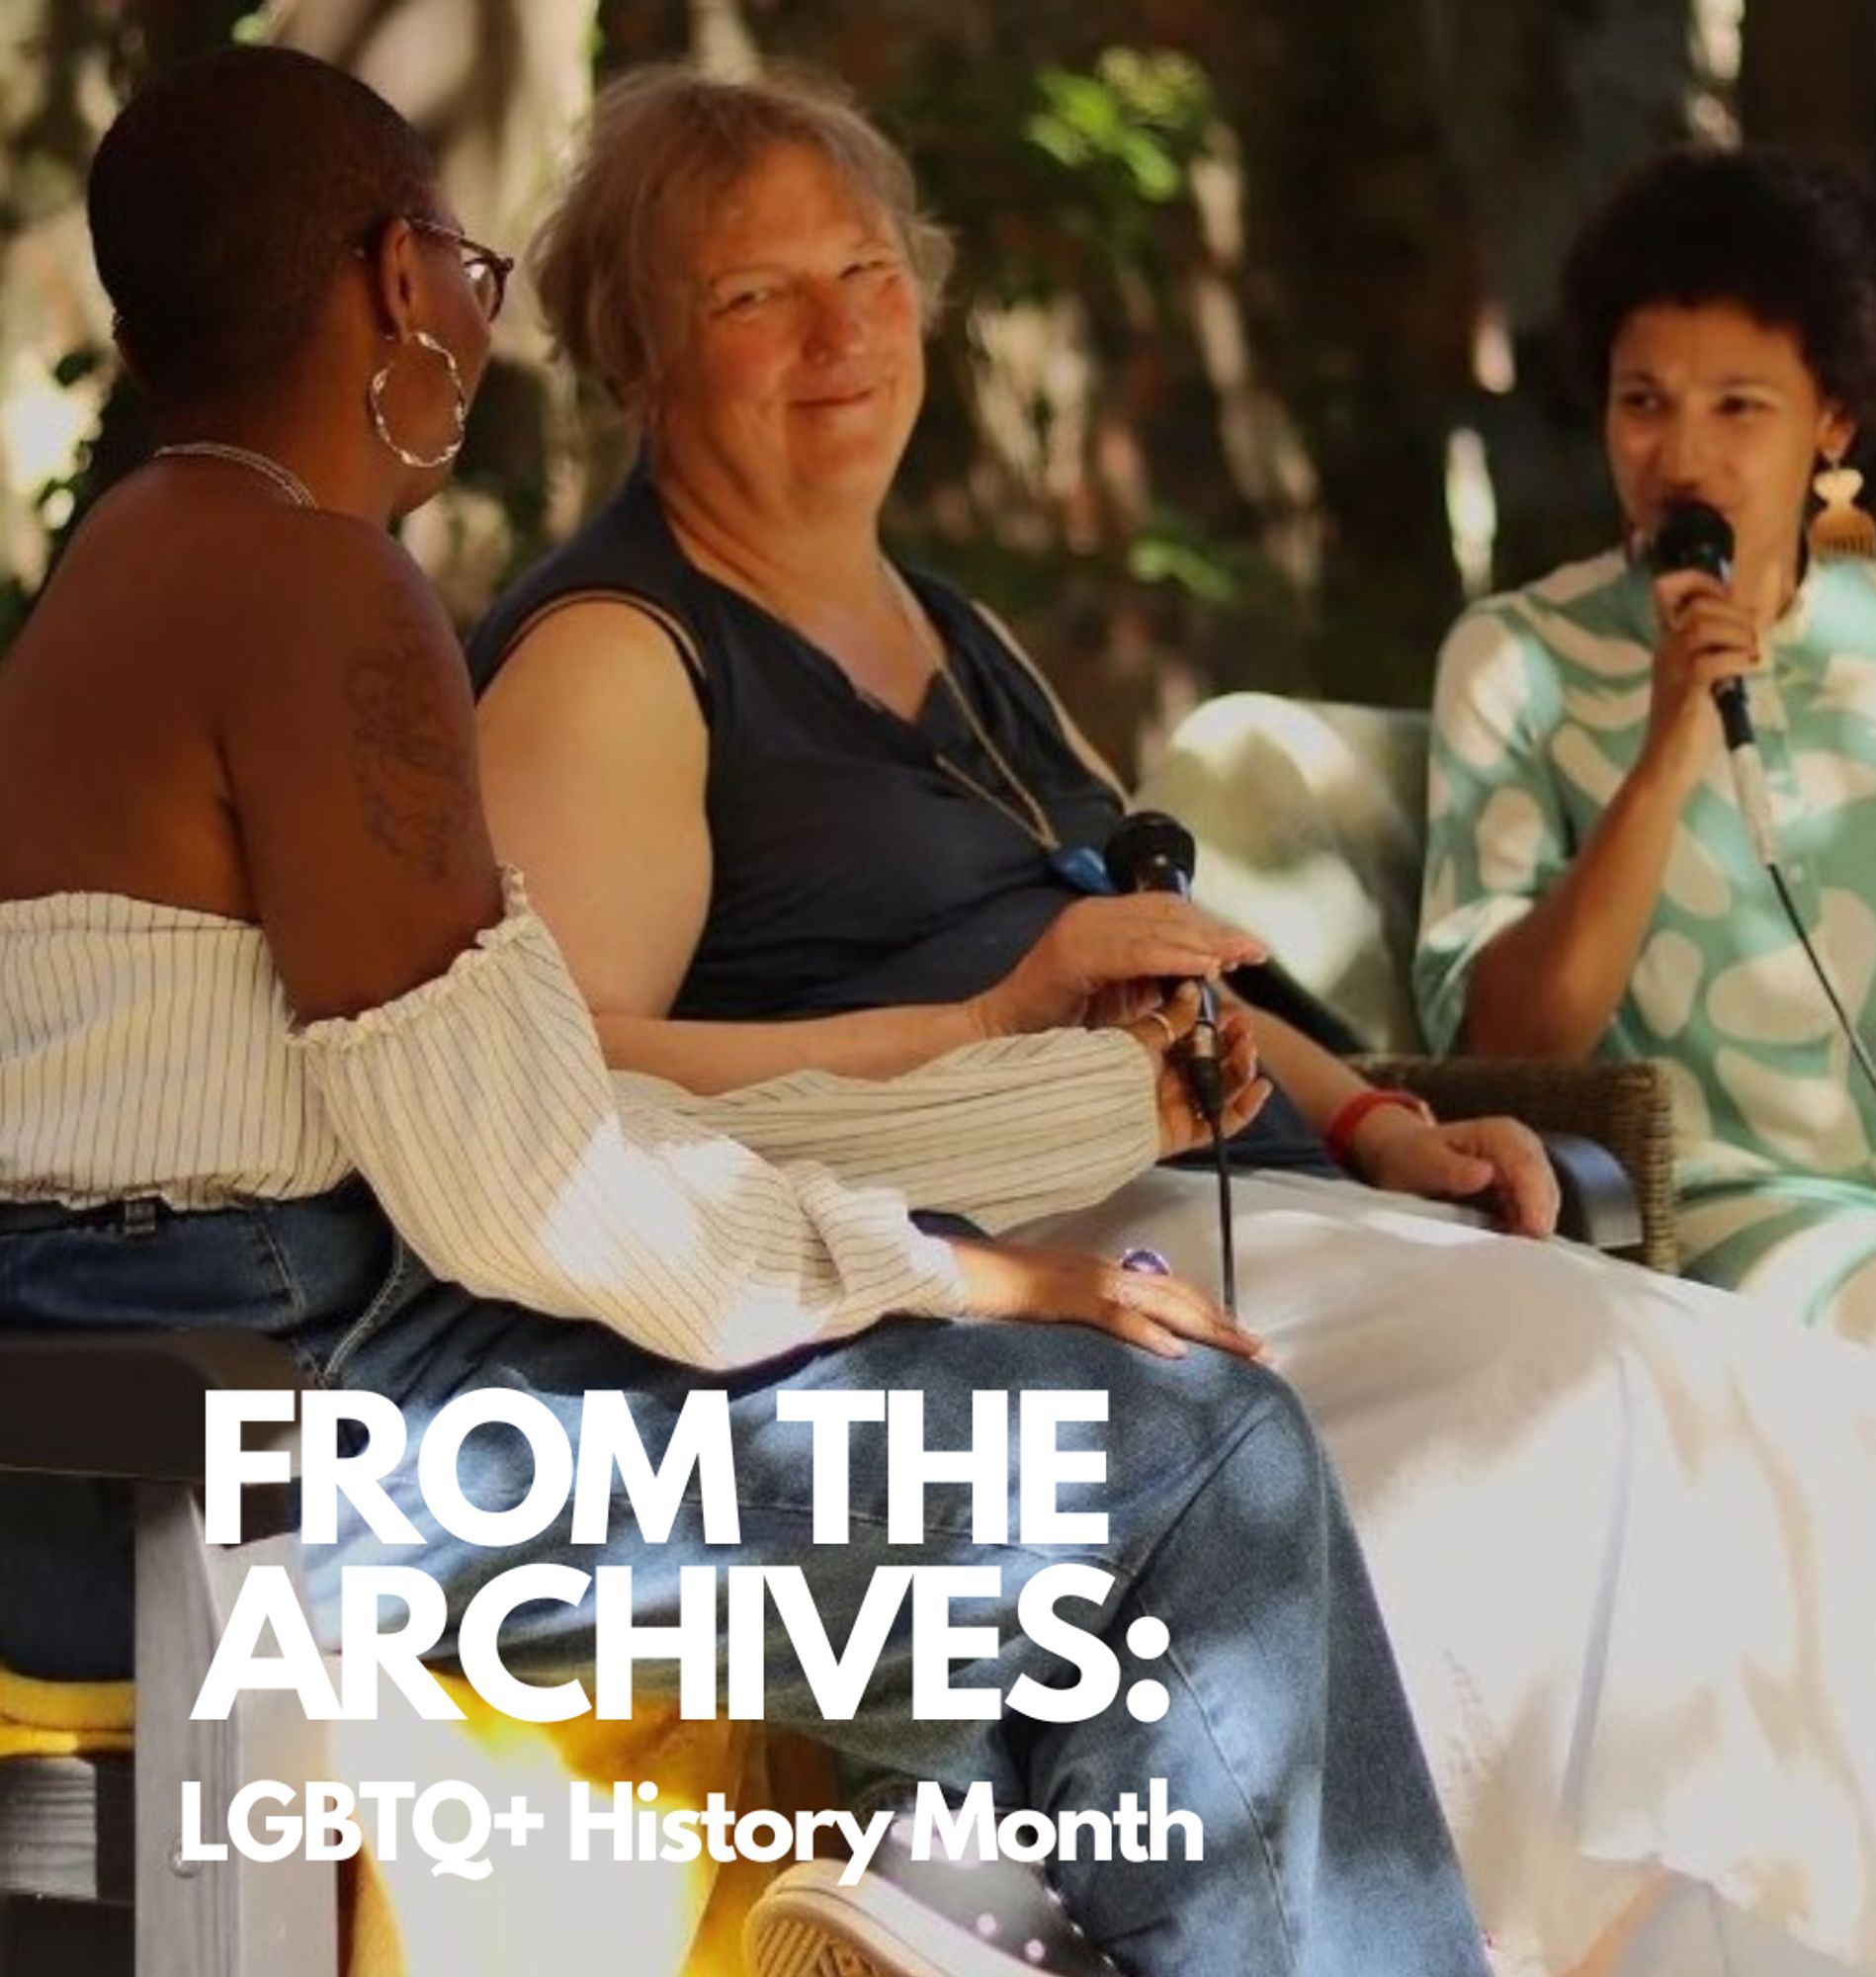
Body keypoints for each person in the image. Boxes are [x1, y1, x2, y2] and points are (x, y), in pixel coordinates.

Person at [0, 45, 1502, 1977]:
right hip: (301, 1439)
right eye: (468, 269)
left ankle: (947, 1890)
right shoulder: (314, 584)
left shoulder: (102, 590)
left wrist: (928, 1242)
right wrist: (977, 1278)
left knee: (1000, 1417)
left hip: (134, 1433)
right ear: (395, 281)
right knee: (1185, 1435)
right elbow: (523, 1187)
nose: (478, 317)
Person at [469, 69, 1876, 1977]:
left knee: (1772, 1427)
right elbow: (555, 1082)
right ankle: (1069, 1885)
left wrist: (1371, 1127)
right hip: (950, 1243)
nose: (842, 331)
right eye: (757, 298)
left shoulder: (942, 624)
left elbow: (1161, 933)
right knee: (1575, 1400)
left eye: (864, 269)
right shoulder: (624, 657)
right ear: (638, 353)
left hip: (1187, 1190)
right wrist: (967, 1028)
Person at [1415, 144, 1876, 1343]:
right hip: (1739, 1223)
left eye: (1738, 406)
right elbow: (1505, 1044)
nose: (1680, 456)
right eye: (1643, 402)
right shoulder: (1517, 656)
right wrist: (1668, 745)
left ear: (1830, 420)